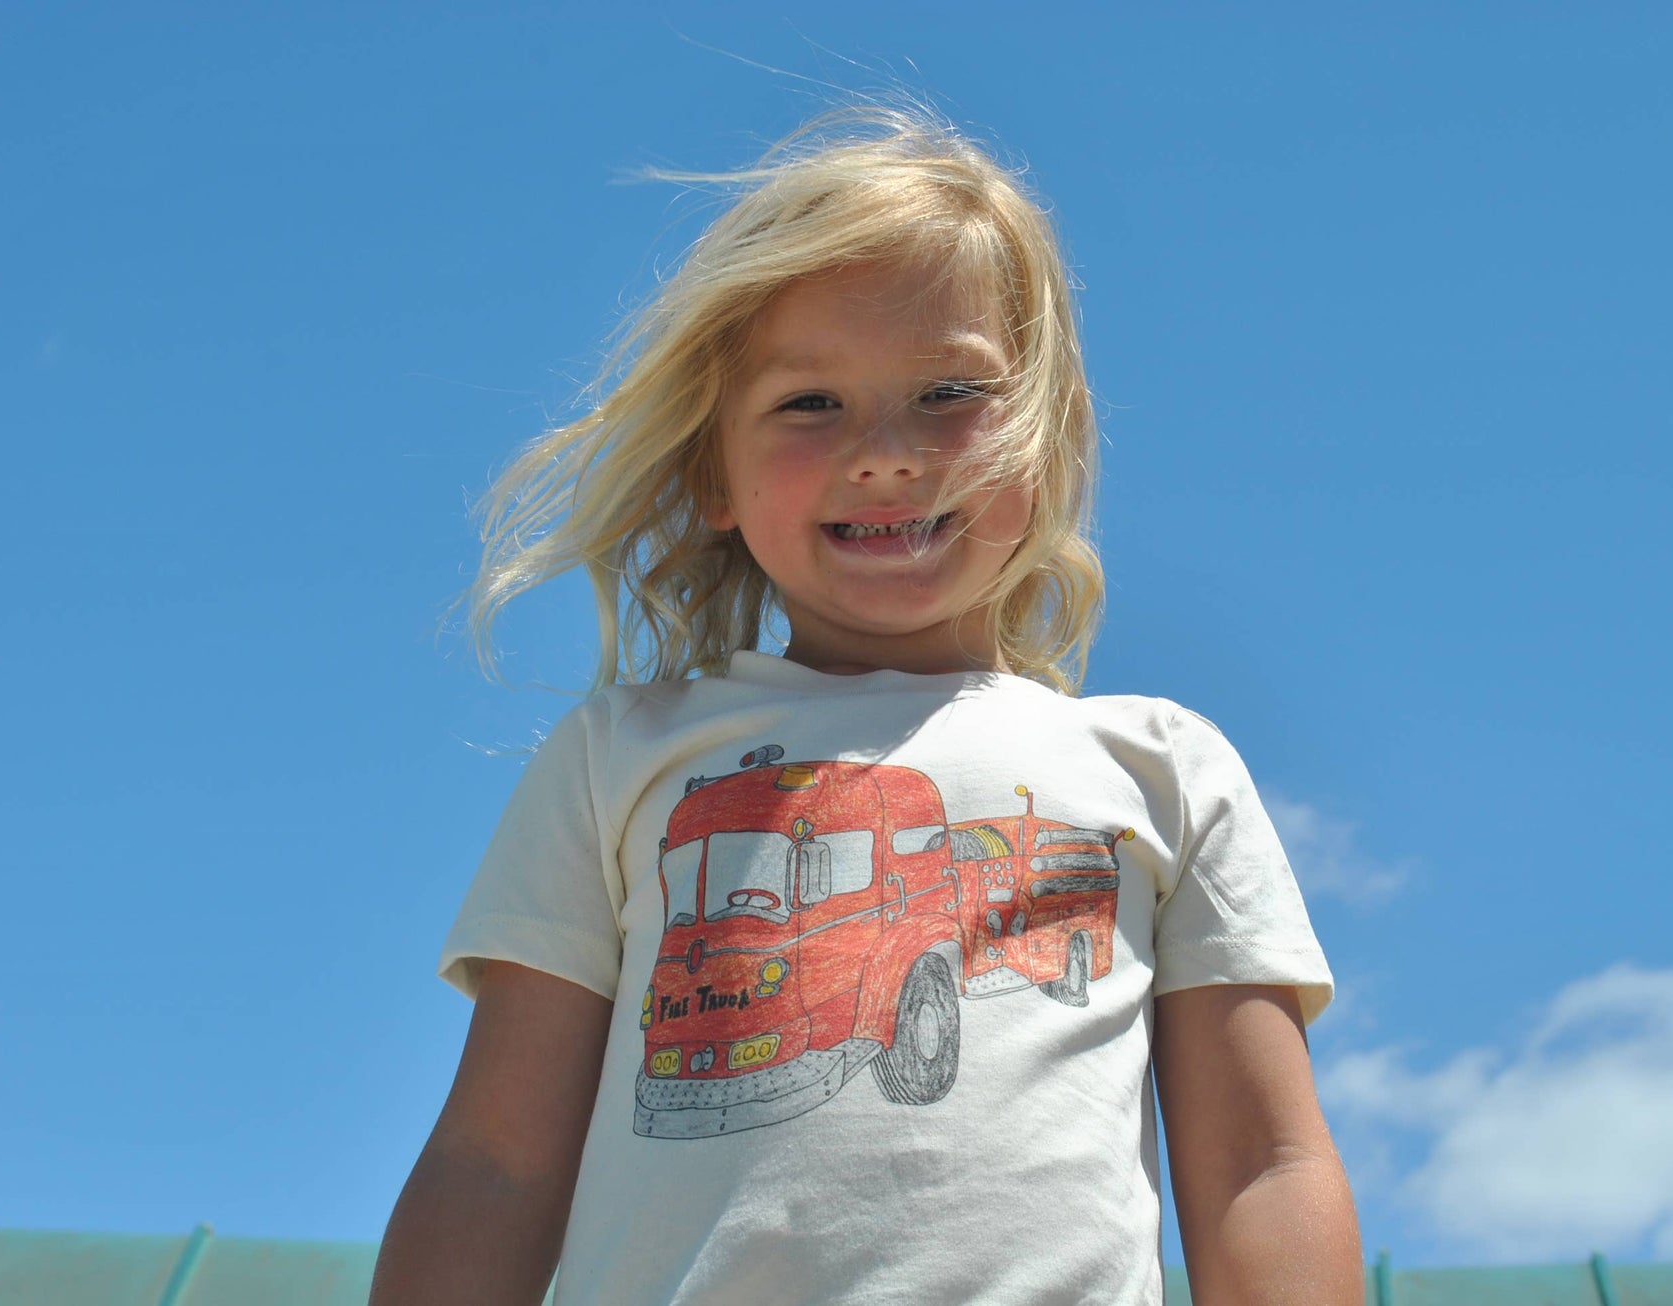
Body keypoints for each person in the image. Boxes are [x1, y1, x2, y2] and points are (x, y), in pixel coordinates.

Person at [371, 104, 1361, 1306]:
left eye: (948, 391)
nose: (884, 453)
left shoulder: (1160, 768)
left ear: (1045, 447)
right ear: (710, 476)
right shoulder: (614, 757)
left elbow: (1261, 1163)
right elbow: (492, 1163)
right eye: (808, 405)